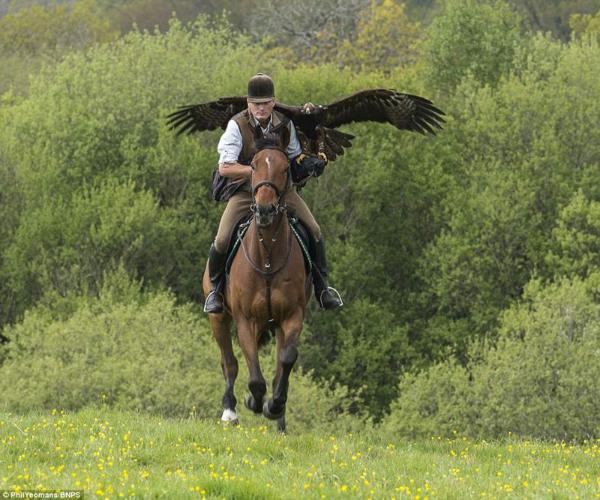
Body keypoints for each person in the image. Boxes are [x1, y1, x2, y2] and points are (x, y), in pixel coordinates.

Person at [204, 73, 343, 313]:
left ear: (273, 102)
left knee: (315, 230)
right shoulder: (237, 126)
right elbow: (225, 167)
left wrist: (310, 165)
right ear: (248, 104)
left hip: (281, 191)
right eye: (256, 103)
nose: (261, 108)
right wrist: (258, 174)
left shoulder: (284, 124)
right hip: (246, 191)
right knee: (223, 237)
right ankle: (215, 292)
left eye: (266, 103)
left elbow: (293, 160)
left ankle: (323, 289)